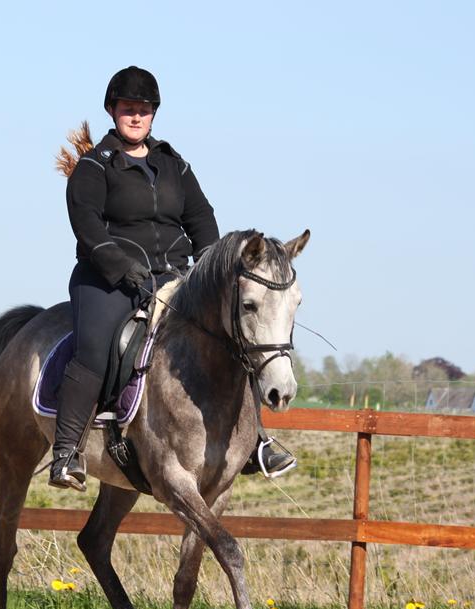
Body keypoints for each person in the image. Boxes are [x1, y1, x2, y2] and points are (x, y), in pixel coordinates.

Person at [50, 65, 295, 490]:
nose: (136, 116)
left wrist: (211, 268)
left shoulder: (172, 163)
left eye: (144, 110)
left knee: (232, 335)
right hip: (107, 278)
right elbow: (86, 224)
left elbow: (200, 217)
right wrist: (120, 266)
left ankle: (254, 440)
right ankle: (67, 452)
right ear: (112, 110)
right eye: (128, 108)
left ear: (153, 114)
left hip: (172, 275)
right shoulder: (94, 166)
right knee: (94, 347)